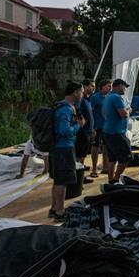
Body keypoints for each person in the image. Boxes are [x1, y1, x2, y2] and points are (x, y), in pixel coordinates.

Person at [49, 82, 85, 221]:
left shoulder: (61, 105)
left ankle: (54, 208)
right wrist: (78, 125)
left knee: (58, 180)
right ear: (75, 93)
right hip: (63, 148)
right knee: (62, 181)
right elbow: (64, 131)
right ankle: (60, 212)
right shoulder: (66, 109)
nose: (82, 95)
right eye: (81, 92)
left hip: (57, 148)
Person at [102, 78, 132, 184]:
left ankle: (110, 180)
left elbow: (103, 112)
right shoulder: (116, 97)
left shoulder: (107, 97)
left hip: (108, 131)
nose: (125, 89)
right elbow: (123, 114)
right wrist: (128, 110)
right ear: (119, 86)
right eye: (124, 87)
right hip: (116, 133)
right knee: (126, 156)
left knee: (112, 158)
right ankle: (116, 179)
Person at [89, 79, 112, 178]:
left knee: (106, 147)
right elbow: (90, 113)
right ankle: (94, 169)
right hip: (97, 126)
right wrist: (92, 127)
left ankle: (105, 167)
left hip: (107, 127)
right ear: (102, 87)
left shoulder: (110, 97)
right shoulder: (95, 98)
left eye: (110, 86)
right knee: (95, 147)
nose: (110, 88)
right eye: (108, 86)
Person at [75, 79, 96, 168]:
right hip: (82, 131)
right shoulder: (81, 99)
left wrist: (93, 128)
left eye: (94, 86)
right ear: (85, 86)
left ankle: (81, 167)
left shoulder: (88, 99)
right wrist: (80, 119)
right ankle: (79, 171)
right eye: (92, 86)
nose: (93, 88)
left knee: (84, 153)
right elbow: (76, 110)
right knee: (80, 153)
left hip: (89, 130)